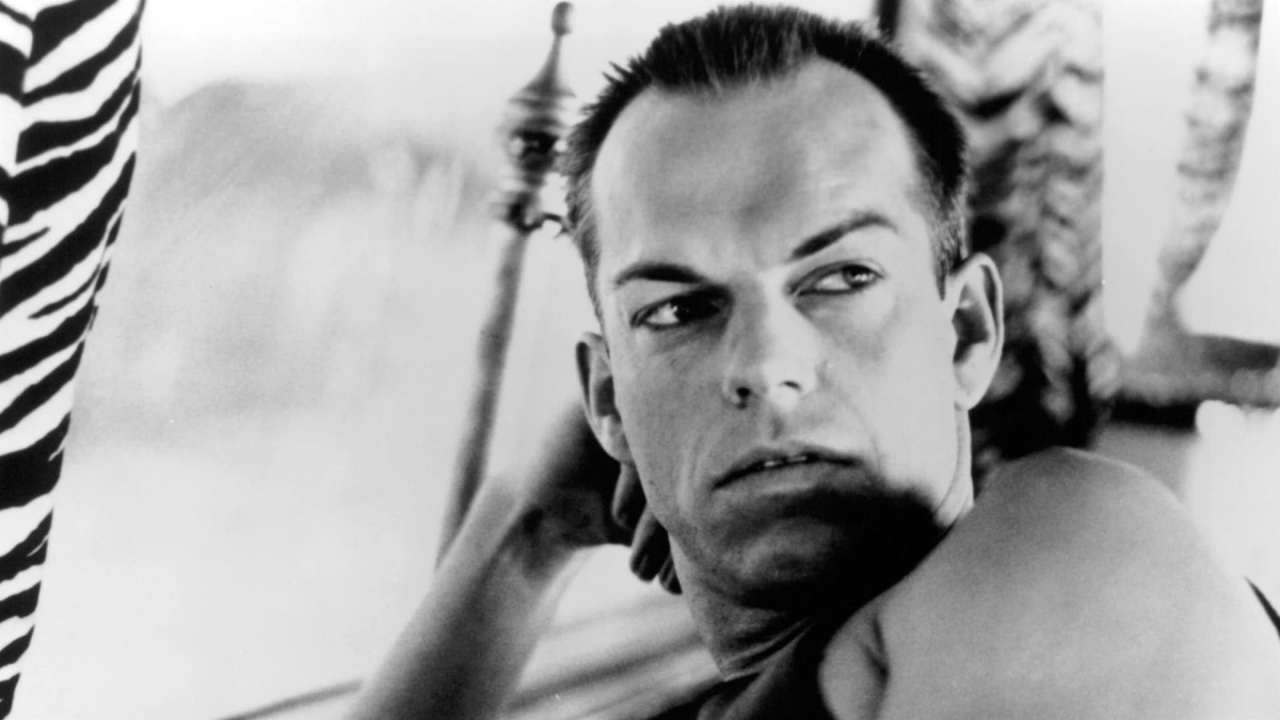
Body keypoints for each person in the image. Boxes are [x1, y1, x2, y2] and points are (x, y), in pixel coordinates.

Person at [350, 6, 1280, 719]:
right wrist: (521, 533)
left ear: (967, 332)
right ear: (607, 401)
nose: (764, 362)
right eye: (678, 309)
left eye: (840, 278)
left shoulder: (1083, 542)